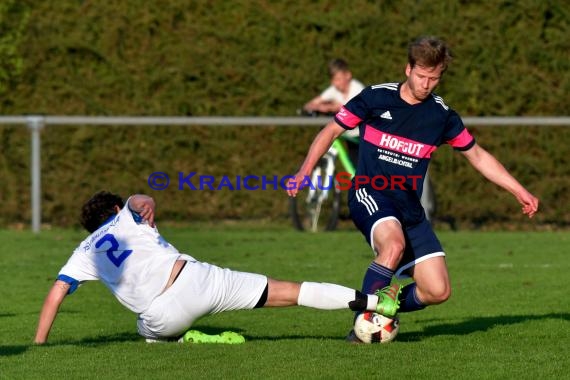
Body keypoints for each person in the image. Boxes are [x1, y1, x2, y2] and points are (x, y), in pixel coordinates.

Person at [287, 36, 539, 342]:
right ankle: (363, 326)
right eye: (421, 76)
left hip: (410, 208)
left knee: (437, 290)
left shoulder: (441, 115)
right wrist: (304, 170)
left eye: (434, 78)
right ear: (408, 69)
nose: (426, 84)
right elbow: (332, 129)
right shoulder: (376, 97)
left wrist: (518, 190)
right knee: (392, 247)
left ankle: (384, 307)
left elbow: (477, 155)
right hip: (371, 191)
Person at [34, 191, 400, 345]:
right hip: (199, 278)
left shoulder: (83, 251)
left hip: (162, 315)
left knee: (144, 331)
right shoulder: (127, 212)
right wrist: (144, 203)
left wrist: (39, 344)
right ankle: (374, 302)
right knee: (293, 291)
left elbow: (56, 293)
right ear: (115, 210)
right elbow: (140, 199)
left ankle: (177, 342)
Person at [304, 58, 365, 165]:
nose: (335, 84)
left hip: (362, 137)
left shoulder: (357, 89)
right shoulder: (334, 89)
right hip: (347, 134)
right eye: (333, 80)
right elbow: (311, 104)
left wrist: (331, 107)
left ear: (348, 75)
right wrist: (318, 107)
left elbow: (351, 110)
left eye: (338, 79)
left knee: (359, 168)